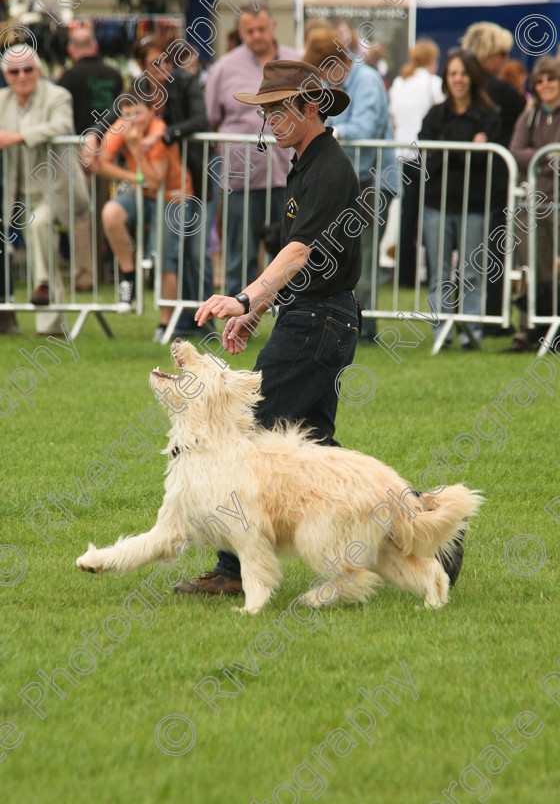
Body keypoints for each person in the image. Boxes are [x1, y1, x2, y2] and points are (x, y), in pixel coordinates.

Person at [174, 60, 464, 597]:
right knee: (316, 451)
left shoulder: (329, 168)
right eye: (265, 110)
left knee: (249, 435)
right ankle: (429, 525)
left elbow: (301, 250)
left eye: (279, 108)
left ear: (312, 107)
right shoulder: (306, 163)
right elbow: (303, 260)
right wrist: (258, 312)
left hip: (318, 321)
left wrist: (243, 298)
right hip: (314, 317)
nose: (270, 120)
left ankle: (234, 572)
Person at [303, 29, 398, 340]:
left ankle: (364, 329)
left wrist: (326, 129)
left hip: (372, 182)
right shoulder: (334, 82)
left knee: (365, 257)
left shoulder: (367, 80)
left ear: (339, 60)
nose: (322, 77)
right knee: (344, 257)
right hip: (350, 179)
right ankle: (347, 324)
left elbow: (366, 128)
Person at [204, 1, 300, 296]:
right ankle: (233, 328)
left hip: (289, 178)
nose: (257, 35)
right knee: (239, 258)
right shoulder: (223, 69)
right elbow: (210, 118)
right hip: (239, 182)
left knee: (287, 259)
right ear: (240, 32)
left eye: (261, 28)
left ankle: (287, 325)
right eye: (249, 30)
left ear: (273, 26)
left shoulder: (296, 63)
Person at [0, 44, 89, 337]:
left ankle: (43, 289)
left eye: (28, 69)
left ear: (38, 70)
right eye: (14, 71)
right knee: (38, 241)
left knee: (38, 226)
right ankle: (49, 325)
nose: (22, 76)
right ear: (6, 75)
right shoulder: (2, 101)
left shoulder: (58, 95)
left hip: (58, 189)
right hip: (19, 194)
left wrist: (18, 136)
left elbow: (62, 125)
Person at [130, 35, 212, 335]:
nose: (164, 66)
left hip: (194, 179)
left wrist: (165, 135)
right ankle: (181, 320)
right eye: (155, 62)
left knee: (195, 252)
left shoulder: (186, 81)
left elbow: (201, 121)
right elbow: (115, 114)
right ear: (141, 66)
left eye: (166, 59)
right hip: (155, 184)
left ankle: (204, 319)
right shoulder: (138, 89)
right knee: (169, 254)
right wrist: (95, 135)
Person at [419, 49, 501, 350]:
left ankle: (471, 335)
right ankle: (441, 334)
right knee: (439, 273)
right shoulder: (435, 115)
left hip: (475, 207)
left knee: (471, 273)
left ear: (472, 78)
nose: (458, 79)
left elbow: (484, 162)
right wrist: (468, 148)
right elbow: (426, 157)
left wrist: (447, 149)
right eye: (453, 73)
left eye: (463, 73)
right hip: (436, 206)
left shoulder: (489, 116)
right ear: (446, 78)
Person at [97, 91, 189, 340]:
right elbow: (100, 162)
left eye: (137, 114)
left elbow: (155, 180)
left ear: (151, 111)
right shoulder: (124, 125)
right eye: (127, 115)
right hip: (141, 192)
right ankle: (130, 278)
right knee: (111, 213)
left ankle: (164, 325)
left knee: (165, 258)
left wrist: (136, 149)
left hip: (171, 197)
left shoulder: (160, 131)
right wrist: (133, 178)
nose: (132, 120)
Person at [461, 22, 526, 331]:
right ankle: (492, 316)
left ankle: (467, 315)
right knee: (496, 247)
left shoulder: (465, 86)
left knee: (466, 251)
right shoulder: (498, 90)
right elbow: (523, 107)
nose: (504, 61)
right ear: (491, 54)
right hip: (495, 180)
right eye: (502, 54)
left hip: (465, 181)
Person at [57, 24, 123, 291]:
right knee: (105, 212)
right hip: (109, 150)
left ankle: (85, 276)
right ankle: (107, 270)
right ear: (95, 47)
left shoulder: (66, 77)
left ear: (72, 50)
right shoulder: (115, 75)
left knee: (81, 213)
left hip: (74, 150)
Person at [508, 56, 560, 351]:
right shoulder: (529, 116)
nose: (545, 85)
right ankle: (534, 330)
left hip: (558, 204)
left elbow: (530, 154)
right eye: (539, 81)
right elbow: (515, 151)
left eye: (551, 79)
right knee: (534, 270)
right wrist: (548, 155)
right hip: (533, 205)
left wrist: (537, 155)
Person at [389, 39, 445, 287]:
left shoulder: (400, 82)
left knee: (407, 216)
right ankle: (433, 272)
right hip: (427, 156)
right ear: (432, 59)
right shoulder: (433, 83)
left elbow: (394, 118)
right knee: (431, 215)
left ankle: (405, 275)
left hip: (402, 155)